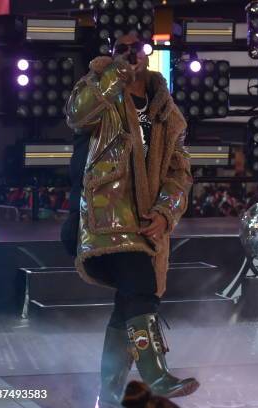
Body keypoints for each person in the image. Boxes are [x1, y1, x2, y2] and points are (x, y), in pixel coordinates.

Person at [65, 33, 199, 408]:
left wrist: (164, 212)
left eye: (137, 49)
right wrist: (114, 74)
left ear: (149, 53)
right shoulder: (100, 87)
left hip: (145, 223)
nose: (130, 55)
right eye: (121, 49)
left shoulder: (168, 112)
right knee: (139, 284)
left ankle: (109, 397)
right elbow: (76, 113)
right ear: (112, 52)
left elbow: (180, 171)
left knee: (130, 302)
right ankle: (155, 373)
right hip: (104, 216)